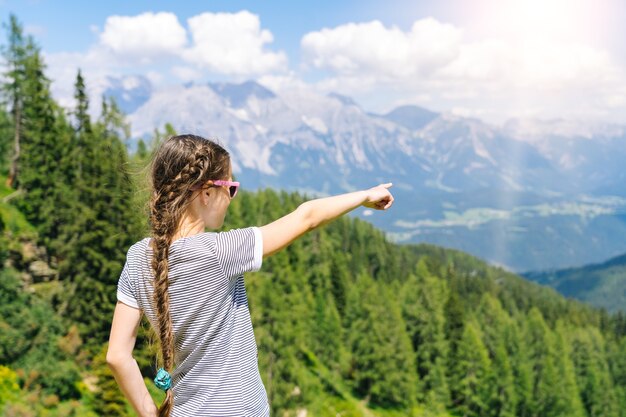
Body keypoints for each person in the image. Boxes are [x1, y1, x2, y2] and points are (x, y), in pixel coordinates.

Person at [106, 134, 394, 417]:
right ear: (206, 193)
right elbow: (307, 217)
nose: (232, 198)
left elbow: (117, 356)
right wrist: (364, 196)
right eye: (230, 188)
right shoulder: (219, 252)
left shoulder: (137, 258)